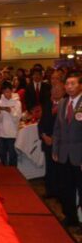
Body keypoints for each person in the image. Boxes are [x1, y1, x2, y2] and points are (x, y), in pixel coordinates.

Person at [52, 72, 82, 228]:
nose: (69, 87)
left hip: (79, 155)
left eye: (73, 83)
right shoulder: (63, 103)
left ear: (80, 85)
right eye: (67, 84)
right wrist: (55, 149)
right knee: (66, 188)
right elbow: (57, 128)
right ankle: (71, 217)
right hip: (64, 154)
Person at [38, 82, 65, 198]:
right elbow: (41, 123)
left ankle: (60, 194)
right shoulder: (47, 104)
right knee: (49, 168)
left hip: (61, 143)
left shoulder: (67, 105)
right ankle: (50, 191)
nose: (56, 91)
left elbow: (67, 126)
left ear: (64, 91)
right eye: (54, 88)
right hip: (47, 142)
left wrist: (54, 138)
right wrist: (44, 136)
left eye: (59, 89)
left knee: (61, 170)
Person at [0, 81, 22, 166]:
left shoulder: (17, 103)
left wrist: (11, 111)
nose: (7, 94)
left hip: (12, 133)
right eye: (5, 92)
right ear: (2, 92)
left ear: (12, 91)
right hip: (1, 133)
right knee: (2, 154)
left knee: (12, 154)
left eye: (8, 91)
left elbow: (17, 118)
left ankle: (13, 171)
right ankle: (4, 171)